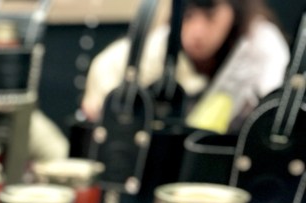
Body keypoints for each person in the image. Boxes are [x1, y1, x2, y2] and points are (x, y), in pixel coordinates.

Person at [82, 0, 290, 134]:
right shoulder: (164, 43)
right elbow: (106, 74)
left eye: (210, 16)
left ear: (235, 9)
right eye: (188, 16)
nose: (197, 32)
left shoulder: (261, 47)